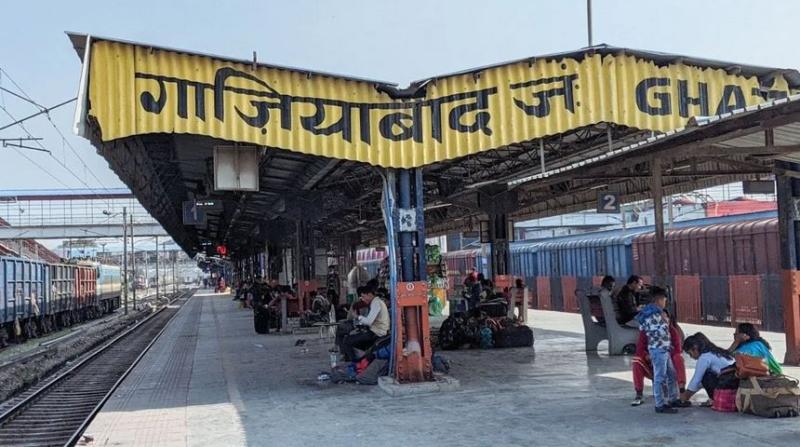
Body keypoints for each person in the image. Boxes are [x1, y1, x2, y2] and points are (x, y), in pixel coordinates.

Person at [635, 287, 680, 414]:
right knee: (660, 377)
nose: (665, 302)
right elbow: (658, 332)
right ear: (659, 299)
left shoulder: (649, 313)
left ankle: (672, 398)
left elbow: (643, 328)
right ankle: (660, 404)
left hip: (663, 349)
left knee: (671, 374)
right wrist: (665, 321)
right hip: (659, 349)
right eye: (664, 300)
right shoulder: (654, 314)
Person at [631, 309, 687, 406]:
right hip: (653, 364)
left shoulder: (673, 331)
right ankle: (649, 399)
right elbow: (639, 350)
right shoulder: (647, 331)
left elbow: (677, 350)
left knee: (676, 361)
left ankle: (678, 394)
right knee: (638, 362)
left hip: (667, 363)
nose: (663, 320)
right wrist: (648, 356)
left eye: (665, 318)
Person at [677, 333, 736, 406]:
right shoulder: (717, 352)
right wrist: (687, 395)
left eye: (690, 353)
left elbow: (696, 380)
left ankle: (715, 399)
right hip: (733, 386)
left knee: (706, 376)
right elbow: (699, 384)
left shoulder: (704, 357)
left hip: (728, 386)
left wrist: (684, 397)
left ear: (695, 348)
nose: (691, 357)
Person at [340, 286, 390, 361]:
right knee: (354, 338)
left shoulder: (376, 303)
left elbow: (369, 321)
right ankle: (359, 358)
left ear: (369, 294)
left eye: (363, 296)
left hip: (377, 333)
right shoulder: (375, 302)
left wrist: (357, 317)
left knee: (347, 340)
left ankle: (356, 362)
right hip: (375, 331)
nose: (362, 299)